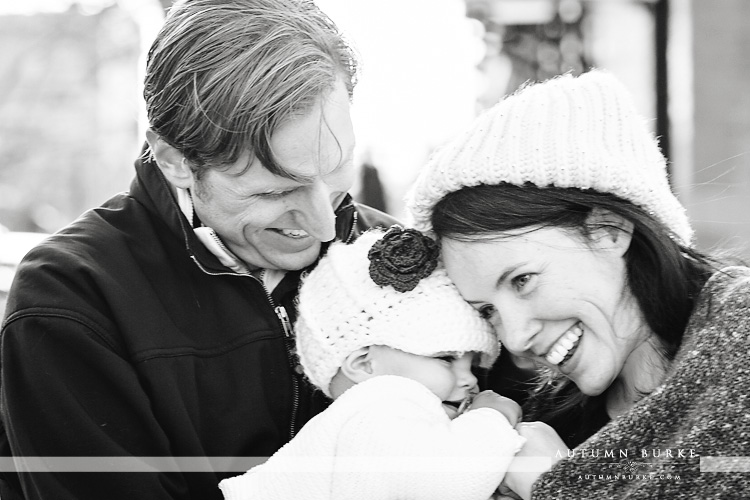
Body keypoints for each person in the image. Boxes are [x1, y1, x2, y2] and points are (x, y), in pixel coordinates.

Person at [0, 1, 397, 499]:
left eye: (337, 169)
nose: (323, 226)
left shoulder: (396, 258)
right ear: (175, 161)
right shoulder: (73, 297)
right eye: (275, 192)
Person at [406, 69, 750, 498]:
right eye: (487, 311)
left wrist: (556, 483)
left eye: (522, 280)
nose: (514, 338)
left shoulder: (739, 336)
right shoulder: (540, 423)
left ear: (609, 230)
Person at [218, 226, 529, 500]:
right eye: (446, 359)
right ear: (365, 364)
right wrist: (493, 418)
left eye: (473, 365)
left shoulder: (366, 426)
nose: (470, 380)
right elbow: (450, 480)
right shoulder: (380, 408)